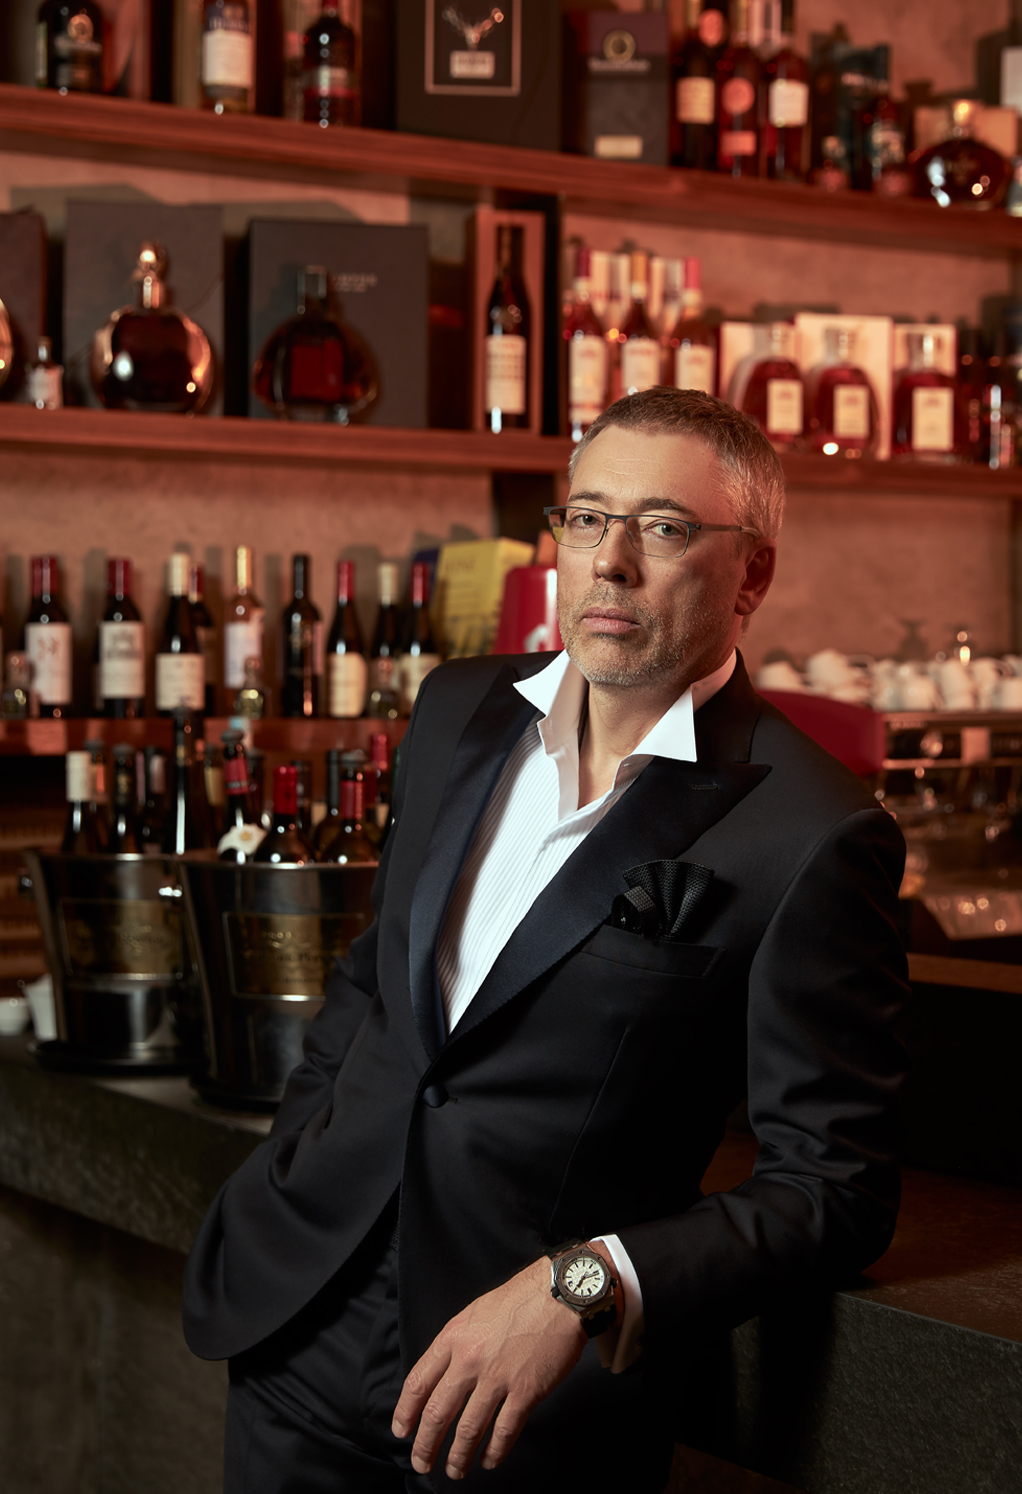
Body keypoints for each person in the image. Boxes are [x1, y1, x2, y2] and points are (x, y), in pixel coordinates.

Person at [183, 387, 909, 1493]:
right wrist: (297, 1154)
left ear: (751, 573)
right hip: (299, 1327)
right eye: (587, 517)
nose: (610, 561)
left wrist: (580, 1285)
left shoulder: (815, 832)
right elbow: (373, 981)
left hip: (519, 1408)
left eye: (663, 527)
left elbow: (833, 1189)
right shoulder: (454, 708)